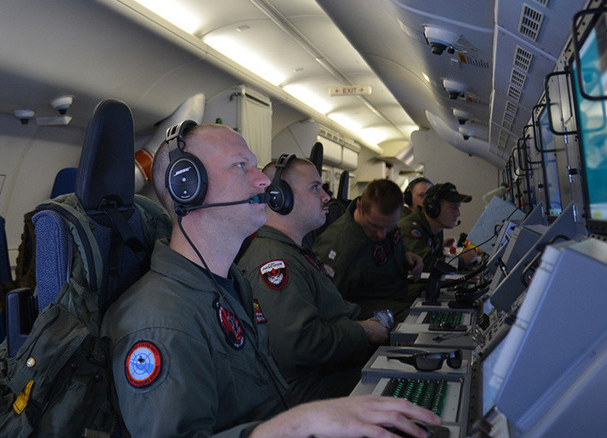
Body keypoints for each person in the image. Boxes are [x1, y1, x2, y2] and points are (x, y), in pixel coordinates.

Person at [102, 123, 440, 437]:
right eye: (240, 166)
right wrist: (298, 423)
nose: (264, 181)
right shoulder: (160, 323)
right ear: (187, 187)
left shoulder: (230, 286)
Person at [238, 155, 389, 406]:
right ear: (279, 198)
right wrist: (364, 331)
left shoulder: (293, 252)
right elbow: (300, 344)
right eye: (314, 188)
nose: (326, 196)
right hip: (310, 394)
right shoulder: (274, 263)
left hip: (326, 379)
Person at [312, 179, 423, 322]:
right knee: (419, 320)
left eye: (389, 228)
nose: (382, 235)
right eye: (375, 226)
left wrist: (406, 253)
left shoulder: (381, 219)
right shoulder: (340, 248)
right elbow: (328, 306)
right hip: (363, 307)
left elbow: (390, 244)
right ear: (359, 207)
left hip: (395, 291)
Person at [399, 182, 479, 272]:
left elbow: (437, 259)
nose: (458, 214)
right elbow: (426, 263)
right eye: (453, 208)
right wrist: (461, 260)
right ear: (433, 208)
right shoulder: (409, 228)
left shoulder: (436, 228)